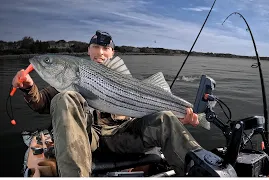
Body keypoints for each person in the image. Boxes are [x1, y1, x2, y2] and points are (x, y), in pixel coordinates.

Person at [12, 30, 202, 177]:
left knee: (166, 118)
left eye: (105, 48)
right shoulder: (68, 79)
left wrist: (179, 117)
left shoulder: (124, 78)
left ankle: (204, 172)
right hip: (88, 138)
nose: (100, 52)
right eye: (95, 47)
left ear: (112, 52)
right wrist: (28, 88)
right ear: (88, 50)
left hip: (123, 136)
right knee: (65, 97)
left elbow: (147, 112)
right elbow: (41, 103)